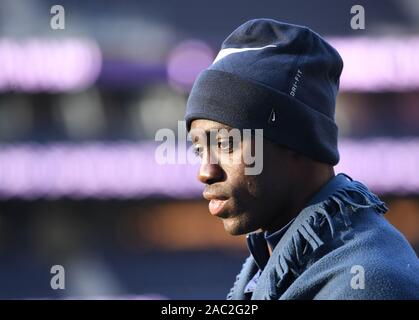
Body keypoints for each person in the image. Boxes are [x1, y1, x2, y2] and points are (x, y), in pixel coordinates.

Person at [184, 18, 419, 299]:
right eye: (200, 149)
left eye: (224, 143)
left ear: (295, 140)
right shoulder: (274, 258)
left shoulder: (365, 282)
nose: (205, 171)